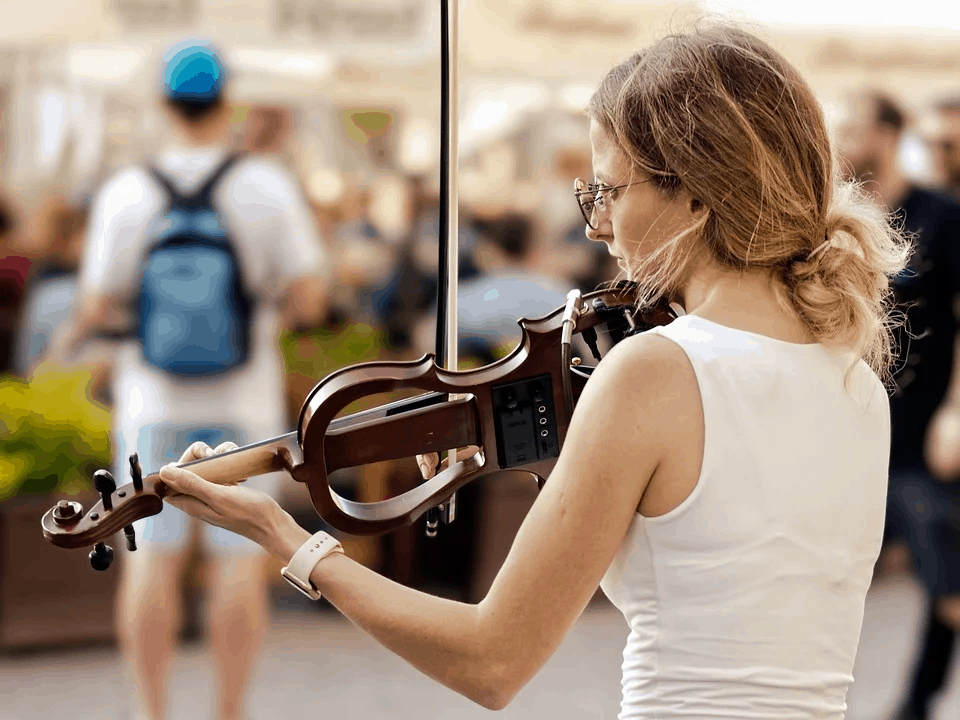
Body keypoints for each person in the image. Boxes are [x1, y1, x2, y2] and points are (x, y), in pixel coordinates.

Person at [155, 25, 908, 718]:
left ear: (694, 194)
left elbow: (491, 661)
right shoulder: (856, 384)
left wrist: (291, 541)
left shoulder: (654, 369)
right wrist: (555, 462)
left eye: (610, 190)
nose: (596, 224)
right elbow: (713, 551)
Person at [58, 39, 329, 720]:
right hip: (244, 402)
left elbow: (95, 306)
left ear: (163, 103)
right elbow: (311, 300)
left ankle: (153, 713)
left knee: (151, 557)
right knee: (239, 561)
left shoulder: (128, 190)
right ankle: (228, 712)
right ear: (226, 101)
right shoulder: (264, 184)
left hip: (152, 399)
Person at [837, 90, 960, 720]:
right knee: (826, 579)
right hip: (850, 436)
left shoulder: (939, 215)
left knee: (947, 585)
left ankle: (915, 704)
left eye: (854, 127)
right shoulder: (840, 220)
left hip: (918, 437)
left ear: (887, 134)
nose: (842, 139)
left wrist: (954, 412)